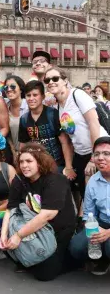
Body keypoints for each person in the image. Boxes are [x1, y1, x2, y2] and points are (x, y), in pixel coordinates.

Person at [0, 143, 76, 281]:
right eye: (21, 161)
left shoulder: (56, 180)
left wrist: (18, 236)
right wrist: (4, 235)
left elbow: (47, 215)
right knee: (17, 255)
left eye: (29, 161)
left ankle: (77, 259)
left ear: (40, 162)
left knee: (43, 274)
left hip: (59, 229)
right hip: (33, 227)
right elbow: (10, 208)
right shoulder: (19, 179)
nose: (24, 165)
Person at [45, 66, 108, 206]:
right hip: (80, 155)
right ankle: (92, 226)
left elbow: (94, 123)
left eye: (55, 78)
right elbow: (67, 140)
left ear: (65, 81)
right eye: (47, 80)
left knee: (104, 195)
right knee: (87, 195)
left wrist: (94, 156)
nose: (50, 82)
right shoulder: (58, 107)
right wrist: (69, 166)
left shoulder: (77, 95)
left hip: (100, 150)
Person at [69, 137, 110, 275]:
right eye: (96, 154)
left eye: (106, 154)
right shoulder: (93, 181)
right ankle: (102, 257)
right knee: (76, 247)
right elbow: (88, 214)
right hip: (101, 222)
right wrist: (95, 229)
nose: (100, 158)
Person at [19, 80, 75, 179]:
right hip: (36, 167)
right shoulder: (24, 119)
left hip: (57, 165)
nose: (31, 98)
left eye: (35, 95)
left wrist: (69, 167)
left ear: (43, 97)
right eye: (28, 95)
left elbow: (65, 142)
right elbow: (23, 145)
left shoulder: (53, 114)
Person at [3, 75, 28, 155]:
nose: (9, 90)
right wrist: (14, 153)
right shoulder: (4, 105)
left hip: (29, 152)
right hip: (12, 153)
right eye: (6, 87)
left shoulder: (29, 106)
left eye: (13, 86)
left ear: (20, 89)